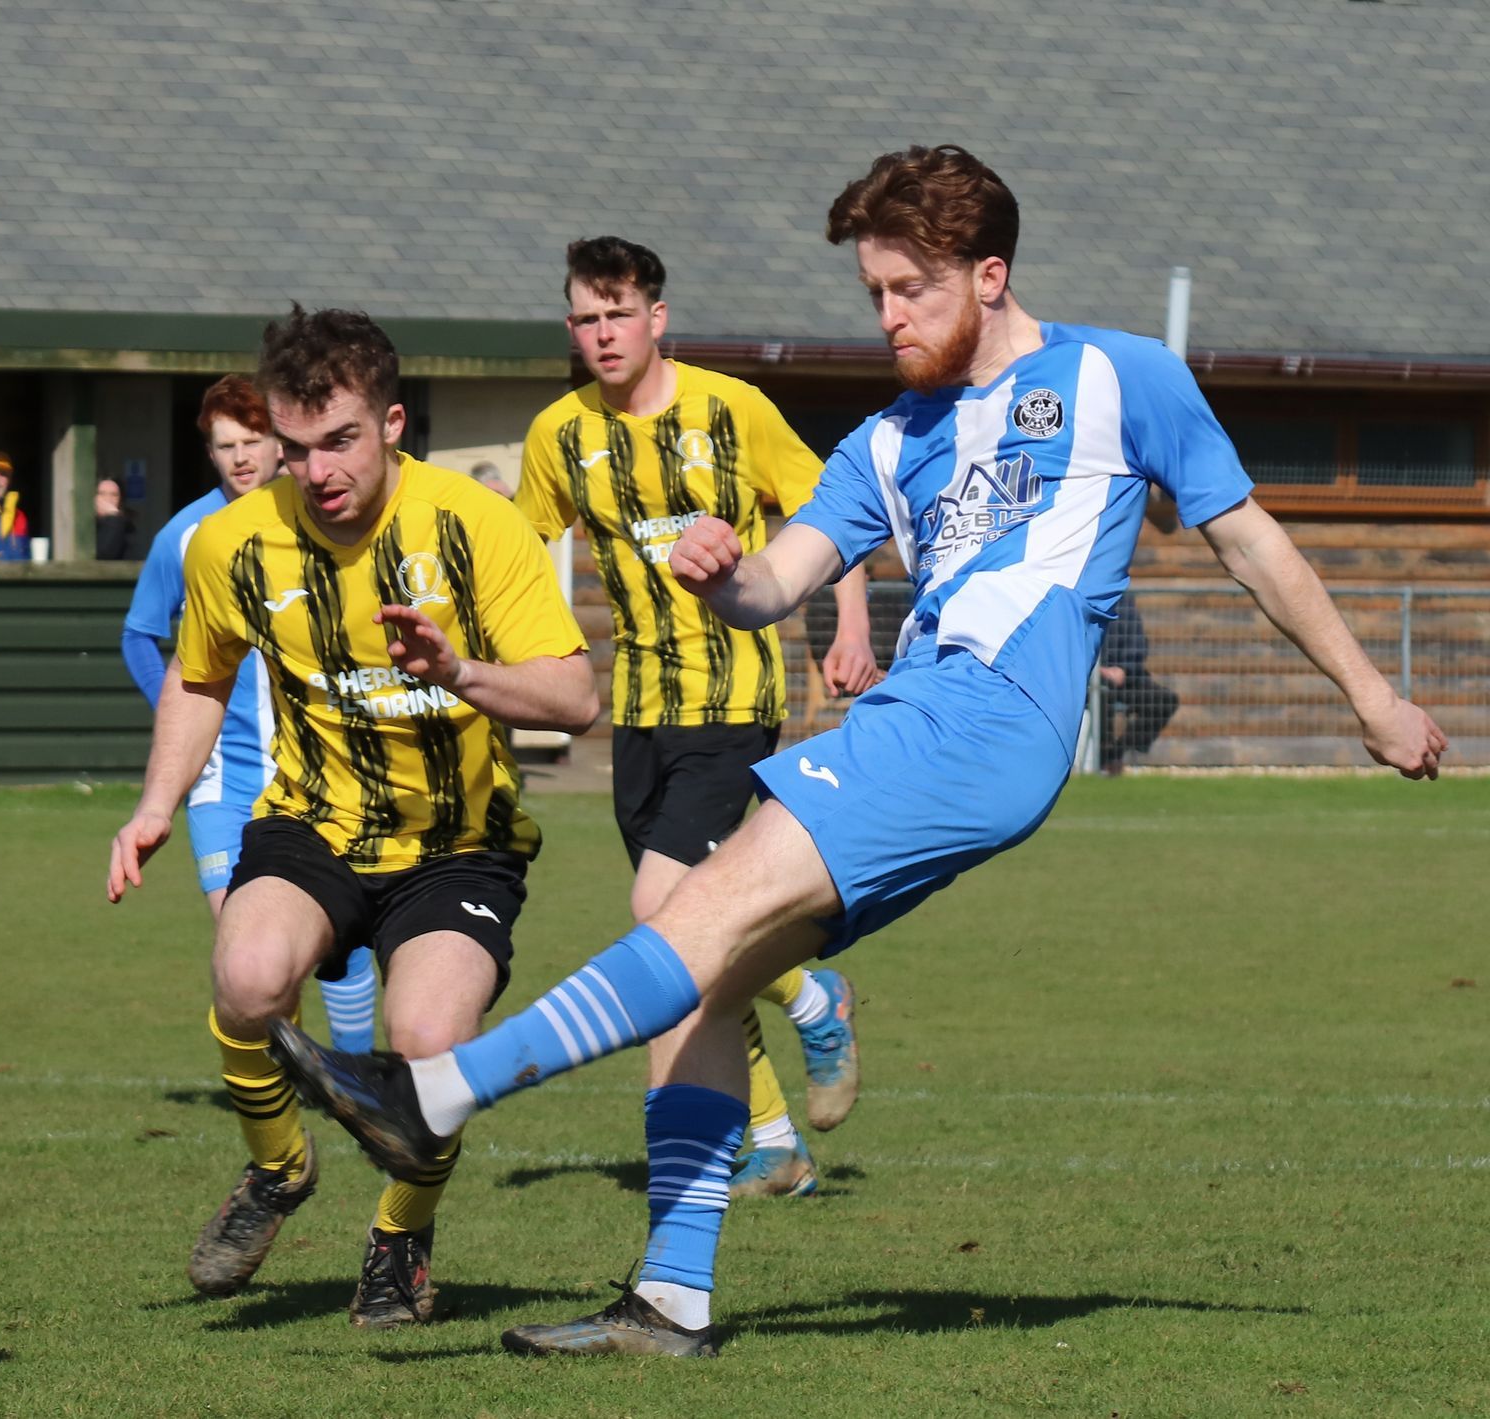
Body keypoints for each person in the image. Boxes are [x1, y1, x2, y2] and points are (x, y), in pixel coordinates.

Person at [268, 144, 1449, 1357]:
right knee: (708, 983)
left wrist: (1374, 698)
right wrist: (724, 579)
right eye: (874, 292)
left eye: (911, 289)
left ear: (989, 275)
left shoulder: (1116, 374)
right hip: (915, 723)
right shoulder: (888, 439)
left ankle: (434, 1094)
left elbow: (1250, 541)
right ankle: (669, 1302)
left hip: (985, 716)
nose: (888, 316)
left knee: (695, 906)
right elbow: (777, 583)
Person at [105, 308, 598, 1328]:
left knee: (427, 1039)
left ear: (392, 424)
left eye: (340, 441)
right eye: (295, 448)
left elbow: (574, 697)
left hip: (459, 842)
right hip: (314, 823)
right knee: (248, 976)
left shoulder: (474, 525)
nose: (317, 470)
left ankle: (400, 1235)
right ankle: (278, 1167)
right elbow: (199, 676)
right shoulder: (231, 542)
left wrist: (458, 670)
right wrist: (156, 803)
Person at [514, 236, 879, 1199]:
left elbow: (832, 512)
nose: (603, 333)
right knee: (691, 935)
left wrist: (850, 626)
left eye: (619, 314)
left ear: (657, 317)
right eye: (586, 318)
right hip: (637, 711)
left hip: (731, 699)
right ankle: (775, 1143)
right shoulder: (558, 434)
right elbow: (517, 553)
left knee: (661, 912)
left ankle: (811, 997)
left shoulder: (733, 408)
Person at [118, 375, 381, 1055]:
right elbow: (139, 634)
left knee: (339, 944)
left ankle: (354, 1078)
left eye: (252, 440)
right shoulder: (186, 536)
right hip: (224, 782)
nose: (240, 457)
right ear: (209, 452)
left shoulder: (323, 518)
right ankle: (292, 1082)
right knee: (250, 953)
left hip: (319, 772)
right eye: (224, 445)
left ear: (279, 443)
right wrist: (182, 724)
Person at [1097, 589, 1179, 774]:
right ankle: (1100, 755)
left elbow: (1137, 642)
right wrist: (1098, 670)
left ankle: (1114, 752)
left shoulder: (1123, 599)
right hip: (1089, 680)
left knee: (1165, 700)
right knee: (1100, 697)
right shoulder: (1077, 598)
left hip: (1126, 676)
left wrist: (1124, 668)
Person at [94, 477, 139, 560]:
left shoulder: (127, 528)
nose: (108, 499)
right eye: (101, 493)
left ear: (120, 500)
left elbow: (107, 554)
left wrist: (113, 516)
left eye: (114, 495)